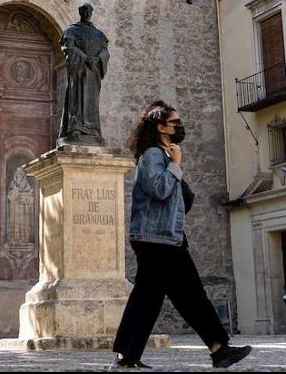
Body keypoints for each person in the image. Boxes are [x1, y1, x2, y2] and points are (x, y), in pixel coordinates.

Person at [110, 100, 252, 370]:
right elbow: (159, 189)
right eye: (175, 122)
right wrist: (176, 165)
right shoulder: (153, 155)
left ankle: (127, 356)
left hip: (164, 238)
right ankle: (219, 349)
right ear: (160, 126)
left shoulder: (162, 154)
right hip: (158, 240)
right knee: (190, 295)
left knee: (149, 298)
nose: (179, 126)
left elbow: (173, 199)